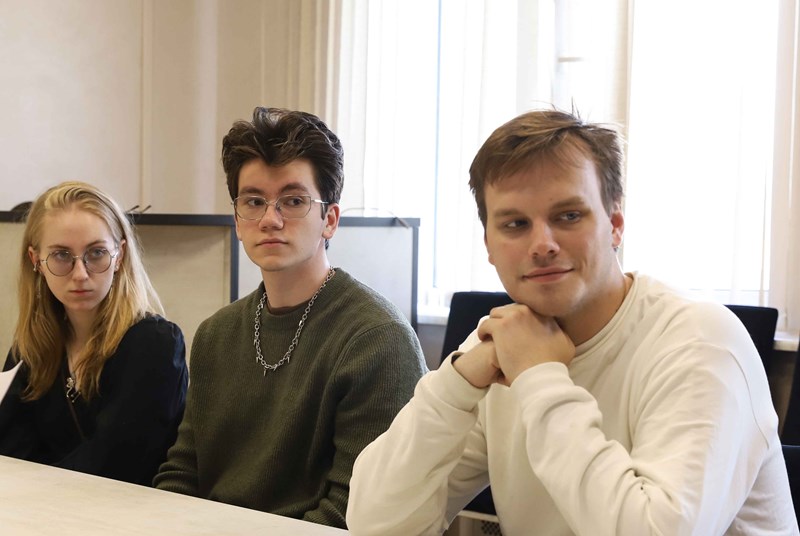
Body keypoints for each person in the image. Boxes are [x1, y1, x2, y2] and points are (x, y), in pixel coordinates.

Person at [346, 109, 798, 535]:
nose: (542, 244)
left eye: (568, 216)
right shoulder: (502, 344)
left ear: (615, 223)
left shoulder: (702, 342)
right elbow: (376, 523)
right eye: (515, 224)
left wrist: (540, 378)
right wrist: (456, 383)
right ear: (488, 245)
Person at [154, 107, 427, 528]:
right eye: (254, 202)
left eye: (294, 201)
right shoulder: (215, 334)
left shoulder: (377, 339)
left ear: (329, 220)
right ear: (238, 221)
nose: (270, 219)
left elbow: (353, 511)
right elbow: (183, 471)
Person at [0, 181, 188, 486]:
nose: (80, 274)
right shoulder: (30, 348)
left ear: (119, 255)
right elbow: (9, 455)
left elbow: (114, 467)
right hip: (39, 511)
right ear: (36, 261)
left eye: (97, 253)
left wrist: (35, 487)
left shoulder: (155, 344)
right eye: (61, 255)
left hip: (127, 512)